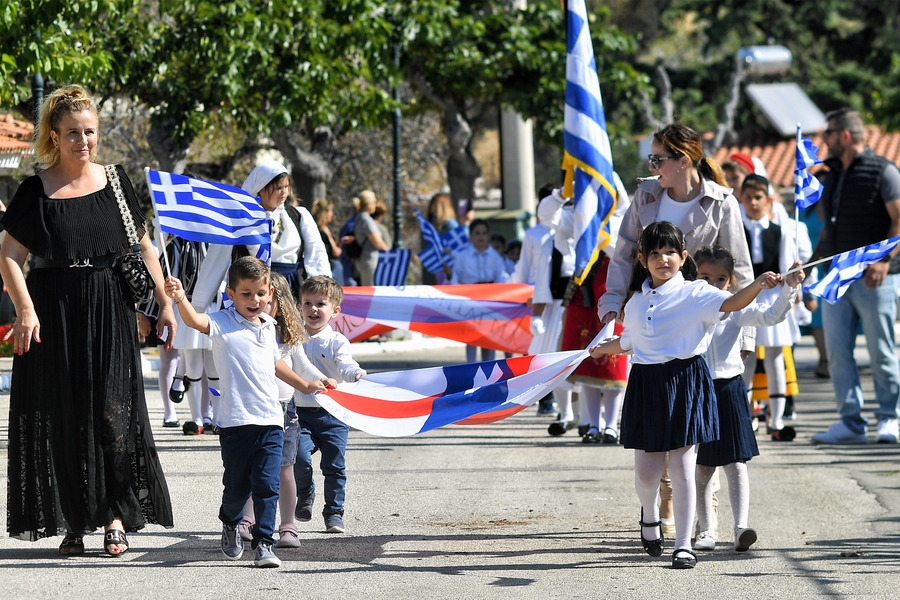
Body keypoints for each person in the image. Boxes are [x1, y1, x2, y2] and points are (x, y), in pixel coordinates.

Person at [0, 84, 176, 556]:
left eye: (90, 132)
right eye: (73, 133)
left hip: (109, 305)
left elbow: (142, 247)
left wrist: (163, 302)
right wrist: (25, 308)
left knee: (111, 413)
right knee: (63, 415)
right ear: (54, 136)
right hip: (52, 307)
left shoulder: (117, 183)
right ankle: (76, 521)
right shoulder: (34, 190)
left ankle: (115, 515)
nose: (84, 141)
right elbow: (10, 257)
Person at [588, 222, 782, 569]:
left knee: (682, 467)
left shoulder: (697, 293)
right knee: (647, 476)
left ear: (683, 256)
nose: (664, 259)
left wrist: (758, 284)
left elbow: (733, 302)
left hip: (686, 381)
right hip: (646, 385)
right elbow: (631, 341)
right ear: (642, 259)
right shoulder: (634, 303)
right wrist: (605, 349)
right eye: (656, 254)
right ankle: (649, 515)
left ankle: (683, 544)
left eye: (671, 252)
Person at [596, 123, 754, 536]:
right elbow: (623, 254)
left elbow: (740, 271)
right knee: (659, 424)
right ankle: (664, 506)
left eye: (658, 158)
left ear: (683, 160)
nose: (653, 167)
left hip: (707, 329)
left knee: (693, 430)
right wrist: (612, 306)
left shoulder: (722, 203)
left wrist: (745, 339)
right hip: (651, 322)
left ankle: (703, 520)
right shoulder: (647, 195)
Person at [165, 256, 334, 568]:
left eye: (260, 293)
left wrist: (305, 384)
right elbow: (193, 321)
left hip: (271, 419)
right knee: (237, 487)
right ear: (231, 294)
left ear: (270, 293)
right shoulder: (221, 322)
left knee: (267, 484)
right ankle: (230, 523)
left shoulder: (269, 327)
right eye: (246, 293)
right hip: (235, 422)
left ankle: (264, 543)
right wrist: (179, 298)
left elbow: (275, 364)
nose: (254, 300)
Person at [692, 246, 804, 553]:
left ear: (730, 282)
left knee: (735, 462)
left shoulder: (738, 309)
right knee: (702, 466)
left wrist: (790, 289)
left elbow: (770, 316)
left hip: (730, 390)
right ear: (692, 275)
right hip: (698, 390)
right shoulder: (686, 305)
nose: (712, 285)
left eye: (720, 279)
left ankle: (741, 527)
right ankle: (705, 530)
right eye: (704, 276)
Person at [811, 108, 900, 445]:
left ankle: (889, 419)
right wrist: (808, 263)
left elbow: (898, 220)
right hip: (837, 278)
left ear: (845, 136)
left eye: (828, 134)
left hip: (875, 278)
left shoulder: (884, 171)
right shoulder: (831, 174)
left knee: (881, 351)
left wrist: (883, 261)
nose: (824, 141)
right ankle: (850, 422)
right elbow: (829, 229)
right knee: (837, 352)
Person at [236, 273, 327, 549]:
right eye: (252, 296)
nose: (260, 303)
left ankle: (288, 525)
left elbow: (303, 367)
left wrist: (319, 380)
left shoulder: (287, 336)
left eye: (267, 298)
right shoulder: (241, 332)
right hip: (253, 408)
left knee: (285, 470)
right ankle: (247, 520)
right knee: (254, 469)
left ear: (279, 302)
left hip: (285, 410)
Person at [191, 161, 330, 310]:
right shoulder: (239, 220)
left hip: (291, 291)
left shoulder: (298, 216)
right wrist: (199, 305)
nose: (284, 192)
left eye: (286, 187)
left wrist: (323, 296)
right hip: (253, 293)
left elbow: (317, 256)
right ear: (261, 189)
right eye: (278, 188)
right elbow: (217, 260)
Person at [294, 275, 366, 534]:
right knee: (298, 458)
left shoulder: (337, 342)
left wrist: (356, 374)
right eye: (307, 303)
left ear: (335, 311)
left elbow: (346, 365)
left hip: (334, 414)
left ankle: (334, 513)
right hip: (300, 412)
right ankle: (305, 492)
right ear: (299, 306)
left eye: (320, 304)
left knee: (334, 465)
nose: (313, 309)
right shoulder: (293, 338)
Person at [738, 174, 801, 440]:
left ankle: (776, 420)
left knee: (776, 359)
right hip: (746, 298)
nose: (753, 203)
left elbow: (787, 268)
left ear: (768, 200)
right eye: (748, 197)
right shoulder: (736, 228)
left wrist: (791, 280)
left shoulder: (781, 231)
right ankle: (745, 416)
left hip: (772, 299)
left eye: (758, 197)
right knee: (746, 359)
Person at [446, 218, 510, 363]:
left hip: (489, 300)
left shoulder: (494, 255)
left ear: (488, 235)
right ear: (471, 236)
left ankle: (488, 369)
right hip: (470, 300)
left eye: (484, 233)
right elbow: (456, 277)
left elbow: (502, 276)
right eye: (477, 233)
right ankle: (471, 366)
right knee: (472, 336)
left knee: (489, 336)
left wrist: (508, 291)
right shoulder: (463, 256)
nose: (481, 237)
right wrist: (456, 297)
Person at [353, 190, 390, 285]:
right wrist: (389, 252)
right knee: (370, 289)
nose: (375, 205)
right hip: (369, 260)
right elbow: (377, 242)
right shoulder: (366, 220)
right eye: (373, 202)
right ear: (367, 204)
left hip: (365, 259)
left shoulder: (359, 217)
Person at [312, 198, 345, 285]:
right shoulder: (324, 230)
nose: (332, 214)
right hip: (329, 267)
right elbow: (336, 252)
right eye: (330, 211)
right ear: (325, 213)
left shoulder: (313, 228)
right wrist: (341, 245)